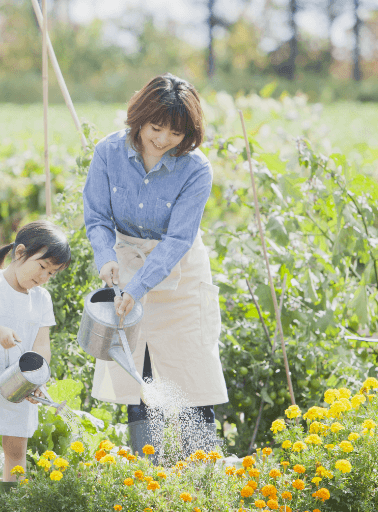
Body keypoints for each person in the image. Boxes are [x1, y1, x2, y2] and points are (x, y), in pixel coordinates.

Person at [83, 73, 228, 459]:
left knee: (193, 377)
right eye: (156, 127)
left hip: (180, 273)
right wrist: (107, 259)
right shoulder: (107, 153)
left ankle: (203, 479)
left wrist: (139, 286)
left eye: (175, 133)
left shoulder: (196, 169)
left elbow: (179, 240)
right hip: (127, 263)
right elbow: (97, 218)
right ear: (140, 118)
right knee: (139, 376)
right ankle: (151, 475)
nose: (163, 140)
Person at [0, 220, 71, 499]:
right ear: (20, 252)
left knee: (16, 451)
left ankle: (14, 505)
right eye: (42, 266)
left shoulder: (41, 298)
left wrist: (38, 379)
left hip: (20, 387)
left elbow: (42, 345)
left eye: (52, 273)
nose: (45, 276)